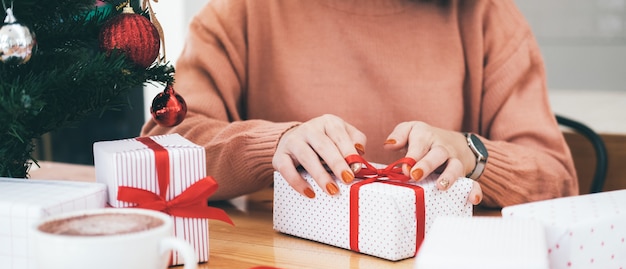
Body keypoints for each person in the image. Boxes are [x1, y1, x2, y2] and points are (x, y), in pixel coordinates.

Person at [141, 0, 578, 208]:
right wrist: (272, 145)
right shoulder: (241, 12)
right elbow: (160, 146)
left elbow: (558, 181)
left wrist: (474, 154)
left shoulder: (487, 16)